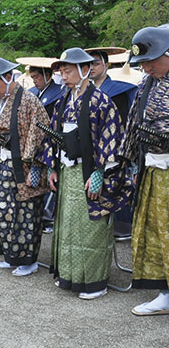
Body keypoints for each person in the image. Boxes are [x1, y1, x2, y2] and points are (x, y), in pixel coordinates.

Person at [43, 48, 130, 300]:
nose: (63, 75)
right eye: (61, 71)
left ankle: (94, 282)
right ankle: (70, 275)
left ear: (83, 70)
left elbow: (112, 138)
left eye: (67, 70)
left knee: (90, 228)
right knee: (69, 226)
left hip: (89, 173)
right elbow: (52, 136)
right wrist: (51, 167)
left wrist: (100, 172)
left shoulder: (101, 101)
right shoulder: (62, 101)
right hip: (67, 172)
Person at [0, 58, 50, 276]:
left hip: (22, 166)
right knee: (3, 210)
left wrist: (35, 166)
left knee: (24, 213)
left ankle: (28, 260)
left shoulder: (29, 100)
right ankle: (10, 254)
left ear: (9, 77)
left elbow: (39, 134)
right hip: (2, 163)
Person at [118, 25, 169, 315]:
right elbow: (133, 127)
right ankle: (164, 291)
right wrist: (128, 163)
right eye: (142, 63)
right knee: (155, 233)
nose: (146, 67)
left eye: (152, 61)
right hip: (152, 170)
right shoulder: (145, 85)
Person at [85, 47, 138, 124]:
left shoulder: (118, 91)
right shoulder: (85, 90)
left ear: (106, 65)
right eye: (88, 65)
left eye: (96, 64)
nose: (91, 68)